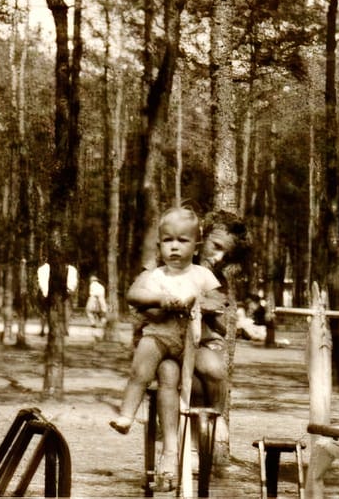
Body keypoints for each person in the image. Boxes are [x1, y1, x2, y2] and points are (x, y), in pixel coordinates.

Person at [110, 207, 228, 490]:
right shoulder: (156, 275)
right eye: (167, 240)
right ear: (160, 243)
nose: (174, 246)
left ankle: (218, 416)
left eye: (182, 240)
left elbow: (218, 303)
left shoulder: (201, 275)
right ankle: (128, 415)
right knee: (151, 370)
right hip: (162, 338)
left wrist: (197, 301)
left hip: (193, 340)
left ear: (196, 245)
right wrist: (162, 300)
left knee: (214, 369)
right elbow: (133, 294)